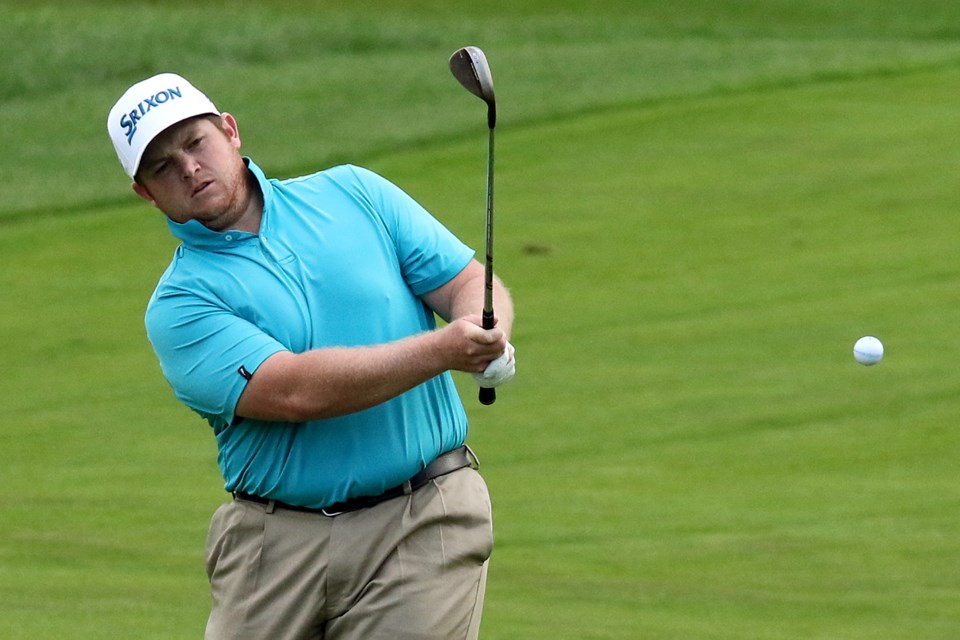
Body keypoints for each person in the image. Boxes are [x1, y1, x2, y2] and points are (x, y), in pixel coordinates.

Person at [107, 72, 515, 640]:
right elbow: (298, 390)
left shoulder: (353, 192)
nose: (189, 168)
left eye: (196, 143)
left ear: (230, 132)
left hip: (422, 515)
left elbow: (465, 282)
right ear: (146, 193)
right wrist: (446, 349)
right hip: (271, 547)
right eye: (161, 166)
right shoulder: (180, 305)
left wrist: (481, 328)